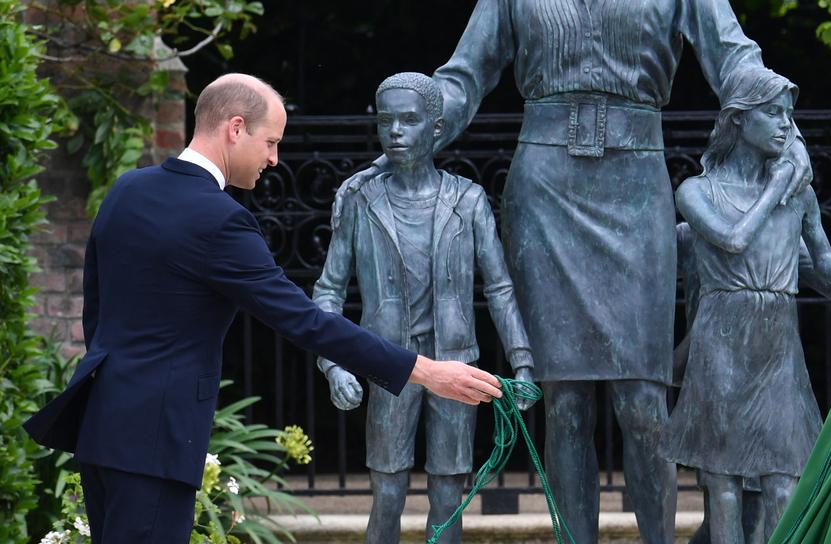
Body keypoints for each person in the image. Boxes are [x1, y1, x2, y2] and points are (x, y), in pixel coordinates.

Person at [343, 0, 810, 540]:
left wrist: (779, 119)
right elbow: (467, 73)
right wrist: (420, 120)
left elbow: (733, 58)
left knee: (641, 400)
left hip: (636, 184)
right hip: (547, 189)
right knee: (561, 400)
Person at [22, 73, 502, 544]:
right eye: (270, 142)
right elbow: (306, 321)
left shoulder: (128, 189)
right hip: (157, 440)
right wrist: (425, 371)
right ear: (235, 128)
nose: (274, 159)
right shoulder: (220, 220)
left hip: (101, 426)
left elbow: (97, 309)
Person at [663, 68, 831, 543]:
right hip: (721, 340)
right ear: (739, 120)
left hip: (777, 345)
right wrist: (778, 184)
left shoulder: (799, 197)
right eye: (773, 112)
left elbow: (827, 269)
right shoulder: (696, 192)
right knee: (722, 483)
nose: (786, 125)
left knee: (784, 477)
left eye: (789, 114)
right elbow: (732, 239)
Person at [312, 73, 534, 544]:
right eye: (385, 120)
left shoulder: (469, 200)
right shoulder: (360, 201)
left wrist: (523, 363)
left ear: (436, 128)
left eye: (408, 120)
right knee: (387, 491)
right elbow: (328, 290)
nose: (394, 131)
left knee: (449, 494)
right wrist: (334, 365)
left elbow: (499, 288)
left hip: (455, 362)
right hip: (387, 363)